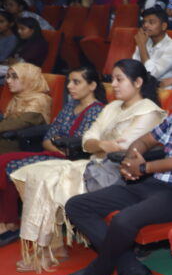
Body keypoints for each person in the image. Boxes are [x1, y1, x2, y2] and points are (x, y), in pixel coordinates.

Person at [49, 68, 172, 275]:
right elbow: (144, 141)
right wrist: (130, 161)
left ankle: (98, 270)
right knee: (77, 205)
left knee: (124, 221)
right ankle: (131, 269)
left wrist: (144, 167)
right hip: (155, 184)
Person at [12, 59, 165, 273]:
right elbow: (87, 139)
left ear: (138, 82)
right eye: (112, 79)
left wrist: (98, 145)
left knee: (49, 179)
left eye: (120, 79)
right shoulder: (112, 107)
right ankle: (52, 245)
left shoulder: (149, 112)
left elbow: (124, 147)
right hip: (95, 163)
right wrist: (101, 144)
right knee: (33, 174)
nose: (115, 85)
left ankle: (51, 247)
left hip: (118, 173)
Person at [0, 65, 104, 247]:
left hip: (75, 162)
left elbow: (82, 144)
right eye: (70, 82)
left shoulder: (98, 110)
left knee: (10, 165)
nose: (70, 86)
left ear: (92, 85)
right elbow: (49, 137)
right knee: (5, 162)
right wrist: (58, 144)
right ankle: (9, 220)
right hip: (54, 154)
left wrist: (61, 144)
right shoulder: (70, 106)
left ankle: (11, 222)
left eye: (76, 82)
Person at [0, 63, 52, 155]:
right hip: (7, 136)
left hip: (22, 142)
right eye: (8, 77)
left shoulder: (40, 99)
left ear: (28, 79)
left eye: (14, 77)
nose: (8, 81)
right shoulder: (19, 96)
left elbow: (23, 122)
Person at [131, 7, 172, 81]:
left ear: (163, 26)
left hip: (163, 89)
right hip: (142, 85)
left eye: (151, 22)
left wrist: (142, 46)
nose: (145, 25)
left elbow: (151, 75)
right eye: (144, 22)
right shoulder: (145, 41)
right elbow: (133, 68)